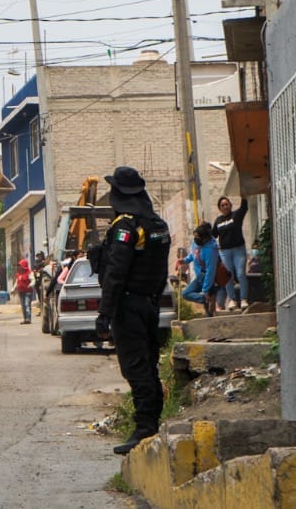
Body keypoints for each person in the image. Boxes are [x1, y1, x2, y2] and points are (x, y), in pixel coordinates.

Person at [95, 166, 173, 455]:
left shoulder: (125, 227)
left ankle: (145, 429)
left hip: (128, 306)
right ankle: (151, 424)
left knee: (136, 368)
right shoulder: (157, 224)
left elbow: (116, 272)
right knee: (148, 365)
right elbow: (161, 270)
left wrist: (105, 313)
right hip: (150, 304)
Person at [211, 195, 250, 311]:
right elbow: (213, 235)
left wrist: (244, 195)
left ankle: (243, 299)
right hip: (225, 252)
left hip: (239, 250)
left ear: (230, 205)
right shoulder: (218, 221)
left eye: (227, 204)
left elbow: (244, 208)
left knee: (240, 274)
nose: (225, 207)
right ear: (219, 208)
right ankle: (232, 300)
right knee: (228, 276)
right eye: (222, 205)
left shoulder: (236, 216)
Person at [179, 222, 220, 318]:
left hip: (208, 278)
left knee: (209, 313)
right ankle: (206, 299)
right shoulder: (196, 243)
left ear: (205, 238)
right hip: (199, 276)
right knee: (185, 293)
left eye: (198, 237)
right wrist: (185, 260)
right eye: (195, 236)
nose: (196, 239)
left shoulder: (211, 249)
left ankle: (209, 301)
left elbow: (211, 271)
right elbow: (193, 254)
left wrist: (205, 290)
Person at [14, 256, 34, 325]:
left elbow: (33, 280)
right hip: (21, 292)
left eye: (20, 265)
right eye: (19, 266)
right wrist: (13, 289)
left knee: (27, 304)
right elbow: (17, 282)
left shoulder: (29, 273)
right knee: (23, 306)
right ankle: (25, 319)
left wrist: (31, 285)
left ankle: (28, 319)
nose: (19, 267)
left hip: (28, 292)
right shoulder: (18, 274)